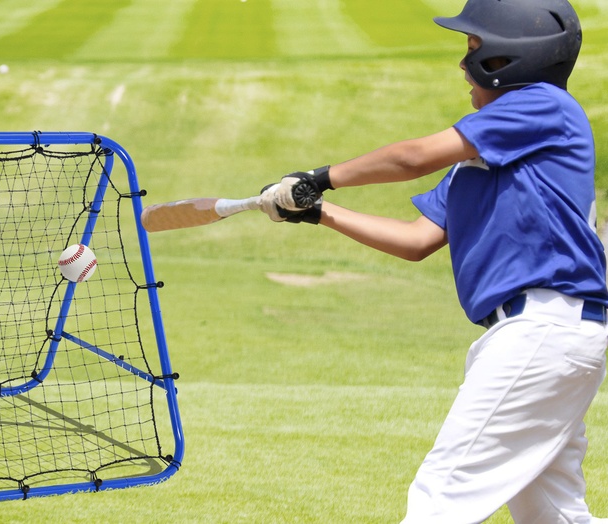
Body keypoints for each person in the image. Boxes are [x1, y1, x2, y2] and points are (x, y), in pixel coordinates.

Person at [259, 0, 608, 522]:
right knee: (551, 515)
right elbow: (417, 239)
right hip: (542, 337)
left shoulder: (543, 105)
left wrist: (319, 176)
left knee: (440, 499)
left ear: (510, 58)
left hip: (541, 333)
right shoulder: (480, 161)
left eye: (473, 48)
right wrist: (319, 211)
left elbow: (411, 157)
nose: (463, 66)